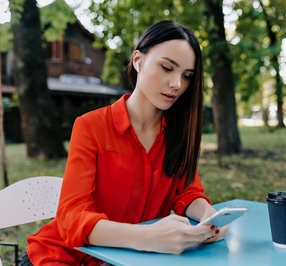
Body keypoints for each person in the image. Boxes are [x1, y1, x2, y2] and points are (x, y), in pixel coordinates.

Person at [21, 20, 228, 265]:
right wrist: (148, 236)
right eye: (166, 68)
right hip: (62, 256)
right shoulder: (91, 126)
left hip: (129, 260)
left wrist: (208, 215)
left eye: (186, 76)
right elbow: (72, 218)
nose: (177, 84)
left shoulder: (178, 134)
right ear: (138, 60)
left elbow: (188, 192)